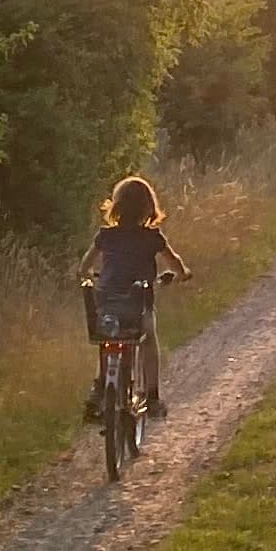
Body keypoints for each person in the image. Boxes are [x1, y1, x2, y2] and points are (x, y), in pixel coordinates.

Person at [80, 174, 189, 421]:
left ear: (116, 206)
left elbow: (84, 266)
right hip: (137, 305)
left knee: (108, 339)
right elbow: (174, 262)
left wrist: (89, 276)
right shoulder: (152, 238)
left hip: (107, 305)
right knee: (148, 338)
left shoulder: (105, 236)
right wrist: (183, 274)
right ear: (148, 208)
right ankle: (152, 396)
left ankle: (99, 390)